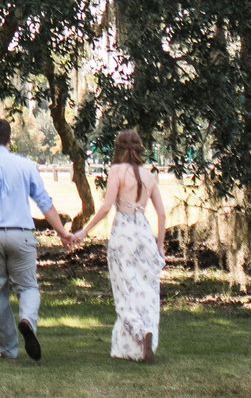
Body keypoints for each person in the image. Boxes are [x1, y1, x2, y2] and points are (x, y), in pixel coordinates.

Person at [0, 117, 79, 362]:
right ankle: (27, 320)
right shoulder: (25, 165)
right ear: (10, 139)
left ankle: (8, 349)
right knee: (28, 286)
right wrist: (62, 232)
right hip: (21, 234)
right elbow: (44, 202)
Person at [77, 126, 170, 362]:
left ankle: (140, 333)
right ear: (139, 148)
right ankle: (138, 341)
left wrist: (85, 231)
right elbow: (161, 214)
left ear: (117, 148)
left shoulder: (116, 170)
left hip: (124, 234)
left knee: (124, 289)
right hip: (144, 234)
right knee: (146, 289)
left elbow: (107, 207)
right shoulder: (149, 175)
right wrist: (159, 246)